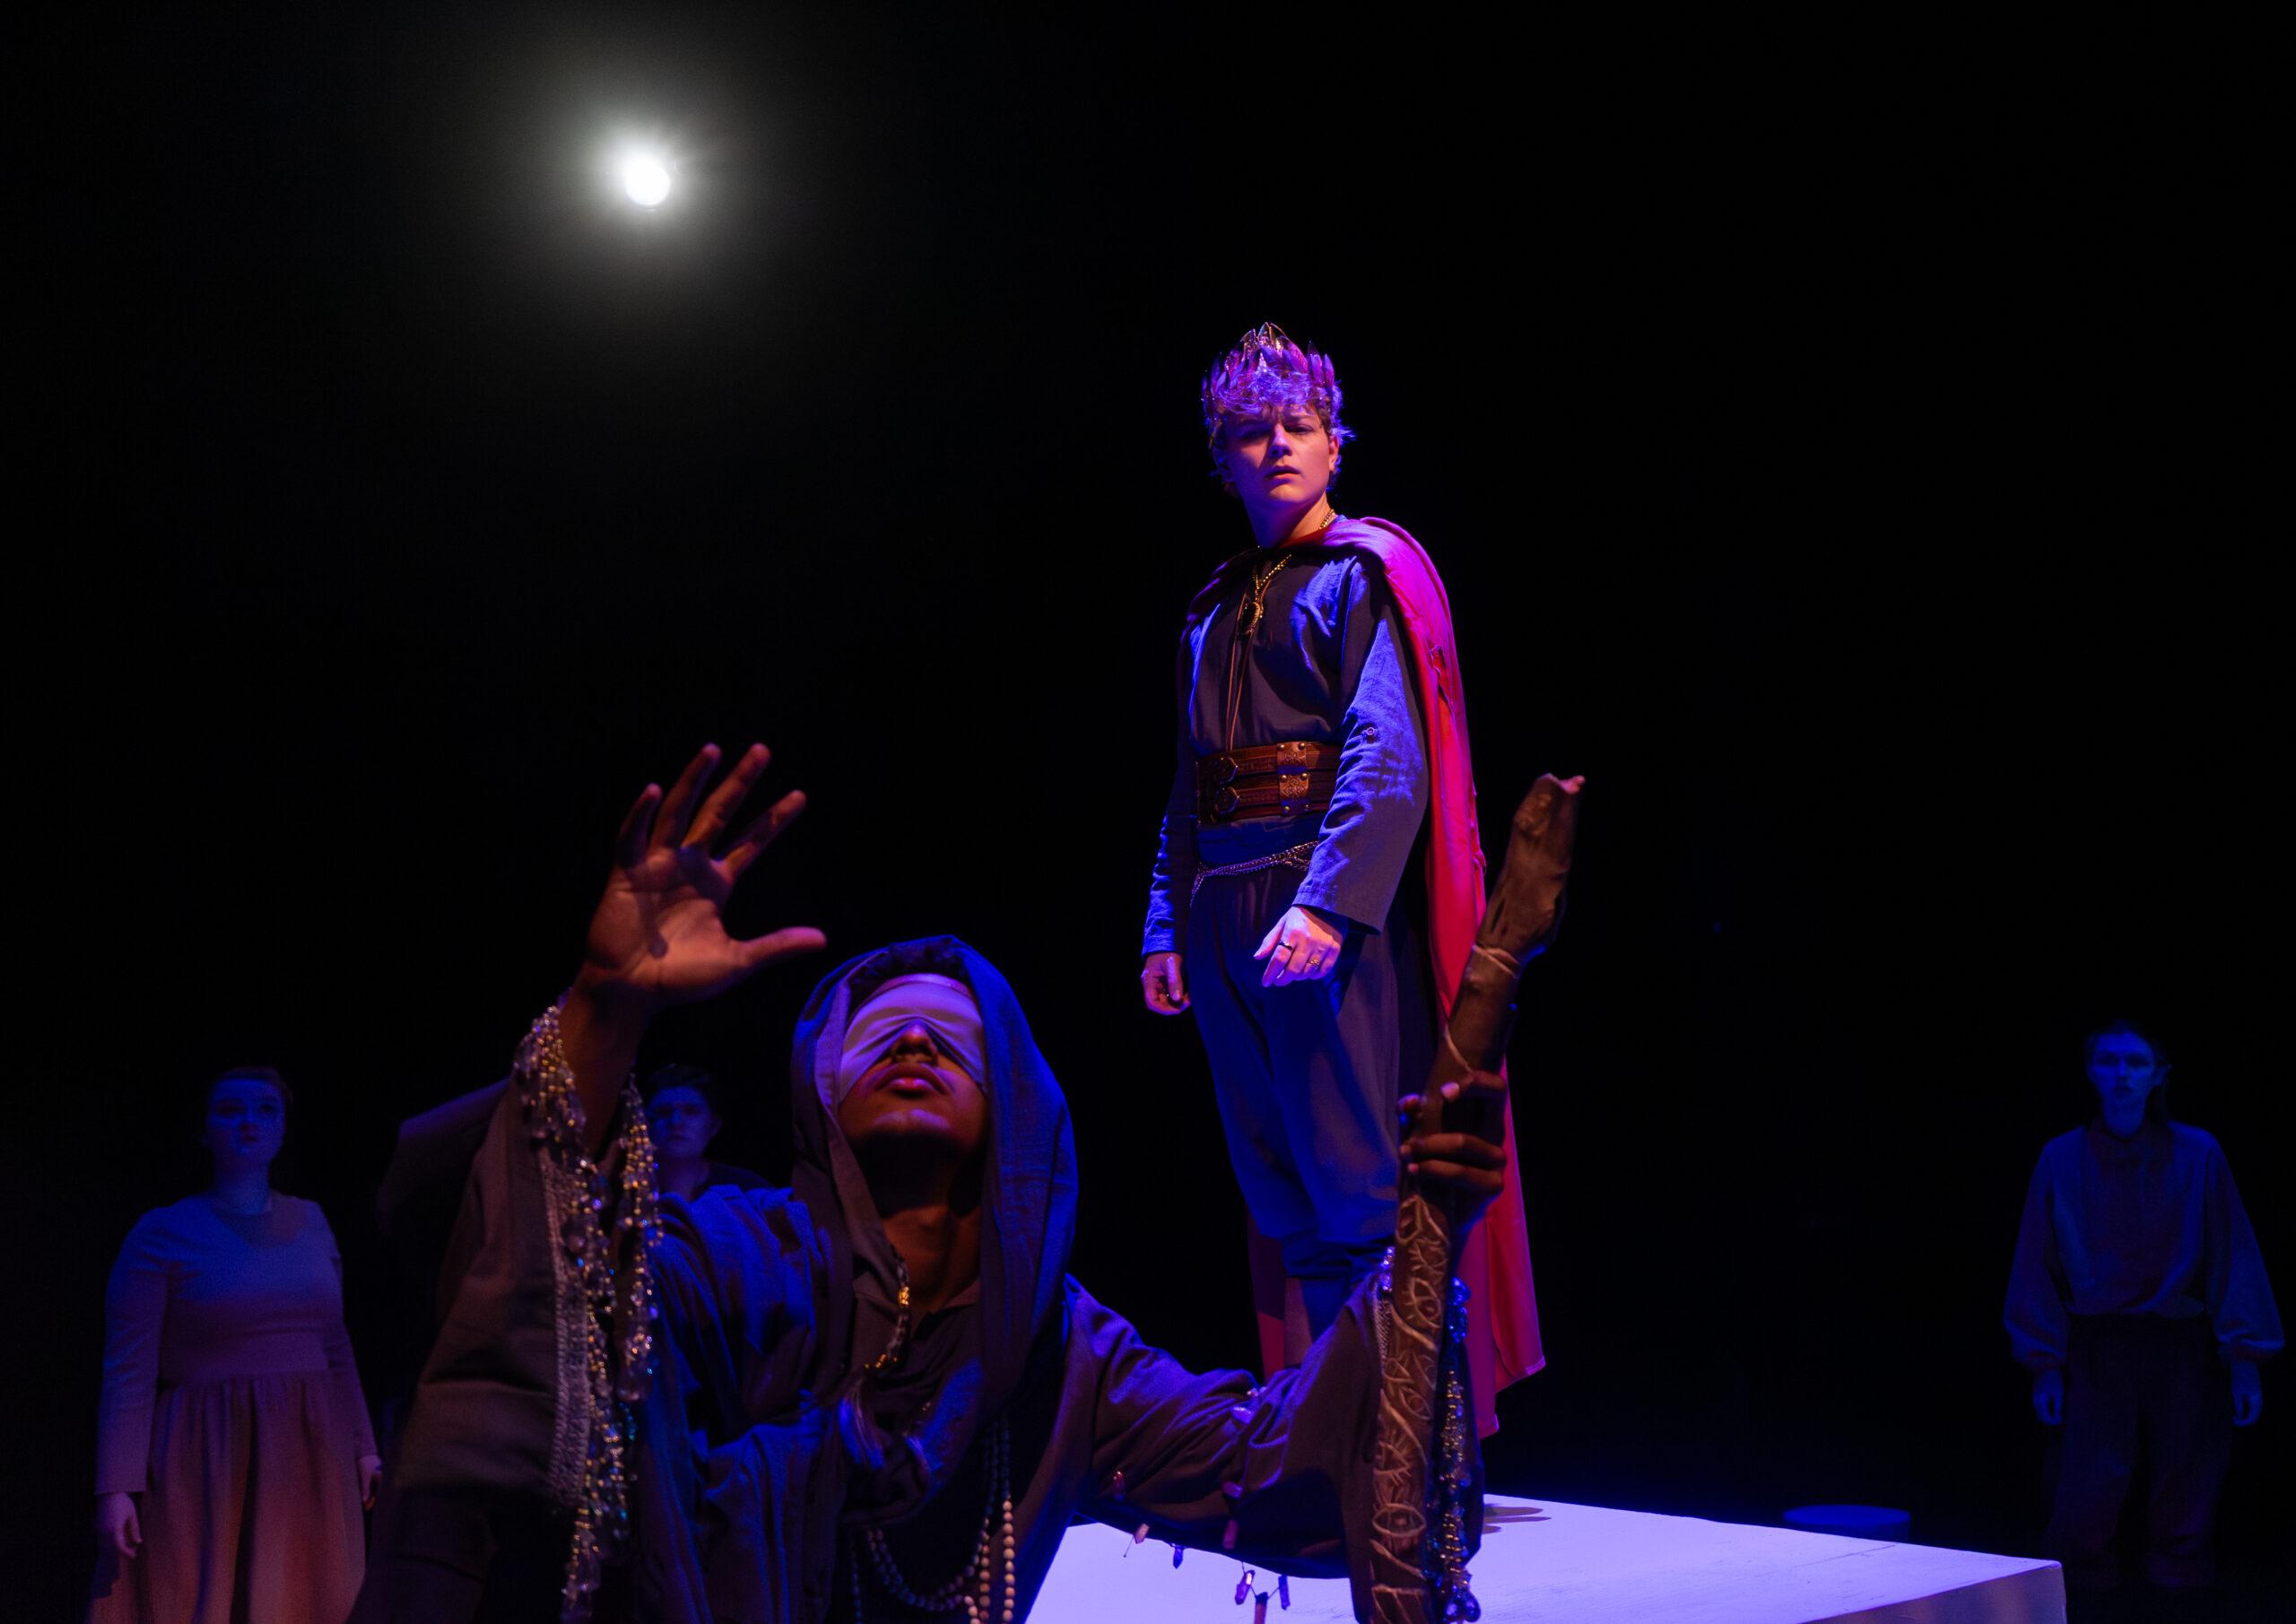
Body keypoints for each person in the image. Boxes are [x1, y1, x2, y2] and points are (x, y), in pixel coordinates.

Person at [353, 743, 1512, 1623]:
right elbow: (556, 1321)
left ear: (1012, 1114)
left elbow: (1272, 1458)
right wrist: (605, 1011)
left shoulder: (1061, 1352)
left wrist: (1421, 1237)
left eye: (953, 1039)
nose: (914, 1039)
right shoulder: (735, 1260)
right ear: (820, 1090)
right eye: (879, 1031)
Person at [1139, 322, 1540, 1426]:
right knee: (1283, 1198)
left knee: (1362, 1193)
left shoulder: (1364, 572)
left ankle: (1417, 1442)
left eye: (1296, 425)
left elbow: (1387, 751)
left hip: (1318, 912)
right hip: (1223, 919)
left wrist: (1326, 901)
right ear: (1220, 458)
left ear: (1332, 443)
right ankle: (1328, 1436)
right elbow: (1188, 779)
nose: (1275, 445)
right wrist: (1164, 925)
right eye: (1250, 432)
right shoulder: (1212, 605)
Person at [90, 1066, 382, 1624]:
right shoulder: (162, 1232)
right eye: (230, 1110)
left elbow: (335, 1344)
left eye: (266, 1109)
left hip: (310, 1450)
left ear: (283, 1127)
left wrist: (364, 1447)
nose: (249, 1122)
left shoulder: (313, 1221)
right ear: (204, 1130)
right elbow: (129, 1370)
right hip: (208, 1452)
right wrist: (115, 1488)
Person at [2005, 1019, 2282, 1594]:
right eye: (2108, 1061)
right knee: (2087, 1476)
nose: (2122, 1074)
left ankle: (2180, 1584)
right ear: (2090, 1071)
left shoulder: (2198, 1153)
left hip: (2180, 1338)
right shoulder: (2062, 1157)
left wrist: (2245, 1358)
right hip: (2099, 1340)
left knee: (2188, 1470)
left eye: (2135, 1062)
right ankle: (2079, 1590)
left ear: (2159, 1075)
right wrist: (2044, 1362)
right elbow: (2037, 1262)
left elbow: (2231, 1252)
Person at [643, 1063, 770, 1201]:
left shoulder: (747, 1189)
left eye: (691, 1111)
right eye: (663, 1112)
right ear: (645, 1124)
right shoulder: (630, 1187)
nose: (675, 1122)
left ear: (713, 1125)